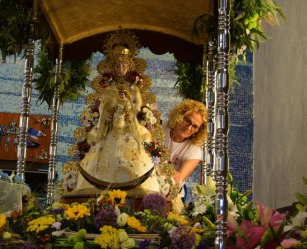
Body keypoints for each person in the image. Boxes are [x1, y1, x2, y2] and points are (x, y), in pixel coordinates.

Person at [59, 31, 173, 200]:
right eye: (118, 66)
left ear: (130, 67)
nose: (121, 69)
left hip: (130, 128)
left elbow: (138, 108)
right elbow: (104, 106)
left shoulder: (134, 89)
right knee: (97, 151)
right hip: (108, 128)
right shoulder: (108, 89)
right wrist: (112, 107)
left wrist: (127, 105)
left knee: (142, 146)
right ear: (113, 67)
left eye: (124, 66)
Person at [164, 99, 208, 201]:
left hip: (173, 195)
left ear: (198, 131)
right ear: (179, 116)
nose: (189, 128)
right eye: (188, 121)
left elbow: (178, 179)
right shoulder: (162, 129)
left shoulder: (195, 152)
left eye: (195, 126)